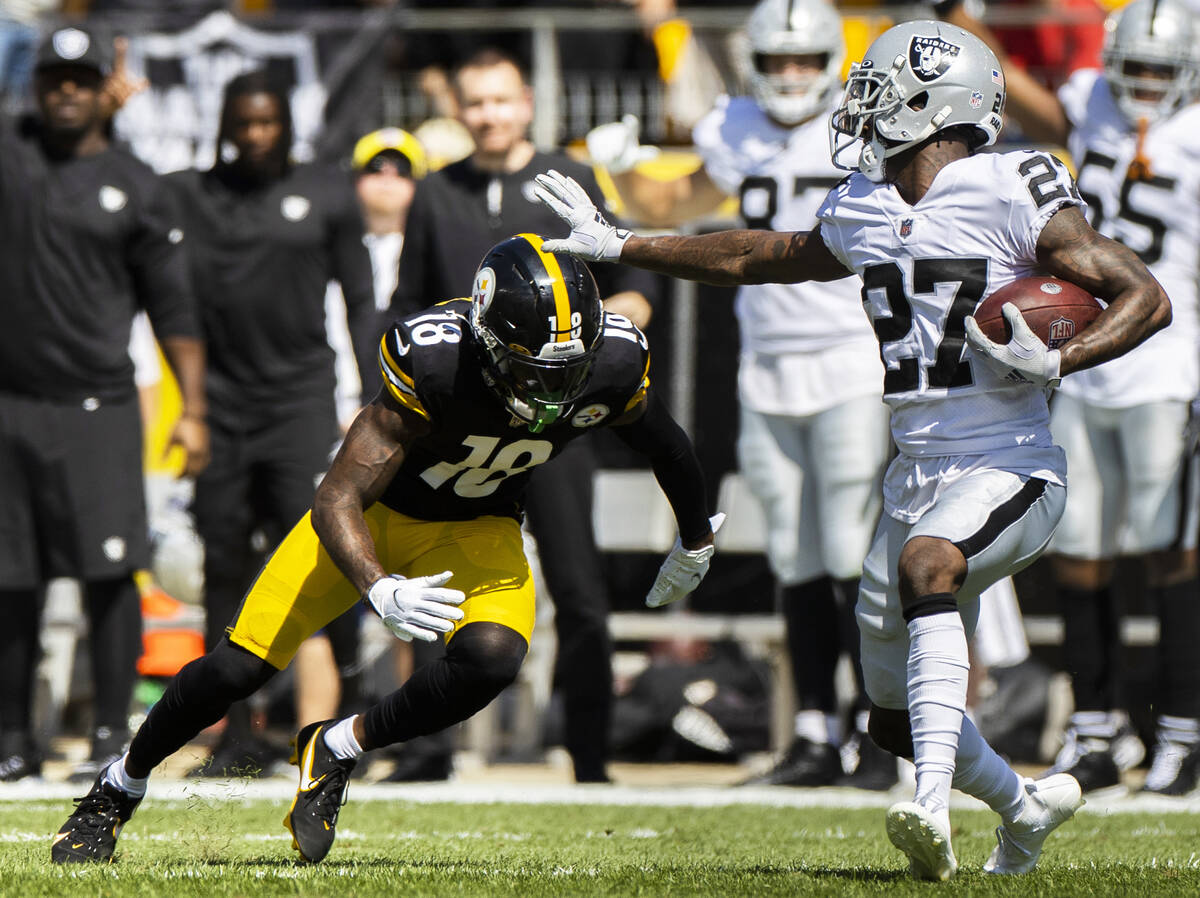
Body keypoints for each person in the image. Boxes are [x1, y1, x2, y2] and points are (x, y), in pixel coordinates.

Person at [534, 19, 1171, 879]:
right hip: (914, 470)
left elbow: (1145, 295)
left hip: (1011, 460)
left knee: (928, 567)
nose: (859, 106)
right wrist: (624, 245)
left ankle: (931, 806)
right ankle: (1023, 811)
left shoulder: (1010, 186)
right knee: (890, 716)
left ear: (933, 102)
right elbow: (757, 254)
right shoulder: (867, 202)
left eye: (877, 91)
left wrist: (1061, 355)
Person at [50, 234, 721, 865]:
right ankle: (117, 787)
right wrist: (378, 586)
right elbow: (336, 497)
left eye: (568, 371)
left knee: (492, 659)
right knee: (235, 670)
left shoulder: (612, 362)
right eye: (533, 370)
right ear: (488, 342)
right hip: (373, 518)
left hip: (476, 523)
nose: (553, 390)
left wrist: (695, 540)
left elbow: (668, 445)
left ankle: (337, 746)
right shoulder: (435, 360)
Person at [588, 0, 895, 789]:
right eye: (779, 61)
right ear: (756, 64)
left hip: (852, 356)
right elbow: (674, 202)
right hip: (767, 362)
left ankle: (875, 732)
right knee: (793, 551)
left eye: (806, 61)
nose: (793, 76)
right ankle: (815, 731)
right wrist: (622, 170)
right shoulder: (734, 127)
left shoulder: (867, 123)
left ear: (832, 61)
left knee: (849, 552)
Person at [940, 0, 1200, 798]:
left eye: (1164, 71)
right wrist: (959, 20)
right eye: (1139, 69)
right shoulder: (1090, 97)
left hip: (1172, 365)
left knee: (1171, 549)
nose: (1147, 86)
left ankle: (1181, 732)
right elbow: (1026, 94)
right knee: (1081, 552)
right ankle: (1096, 729)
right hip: (1085, 362)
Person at [391, 47, 657, 784]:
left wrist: (594, 355)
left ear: (528, 105)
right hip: (459, 433)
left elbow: (634, 285)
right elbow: (406, 304)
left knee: (579, 592)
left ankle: (592, 758)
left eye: (502, 101)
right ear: (459, 110)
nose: (490, 116)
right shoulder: (435, 191)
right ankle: (424, 750)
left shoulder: (570, 182)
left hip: (553, 433)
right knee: (431, 589)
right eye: (476, 103)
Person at [0, 25, 208, 782]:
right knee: (11, 580)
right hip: (10, 406)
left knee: (108, 575)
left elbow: (174, 311)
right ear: (36, 85)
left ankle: (112, 737)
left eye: (81, 81)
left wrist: (193, 408)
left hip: (100, 409)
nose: (66, 91)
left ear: (100, 91)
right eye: (54, 79)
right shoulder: (10, 153)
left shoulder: (138, 183)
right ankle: (14, 738)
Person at [164, 69, 377, 776]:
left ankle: (334, 731)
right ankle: (233, 737)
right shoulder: (192, 197)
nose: (255, 135)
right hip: (220, 410)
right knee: (224, 567)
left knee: (317, 556)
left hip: (298, 405)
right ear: (224, 125)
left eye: (267, 122)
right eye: (242, 122)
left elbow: (360, 299)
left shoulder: (326, 192)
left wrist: (379, 398)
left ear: (287, 124)